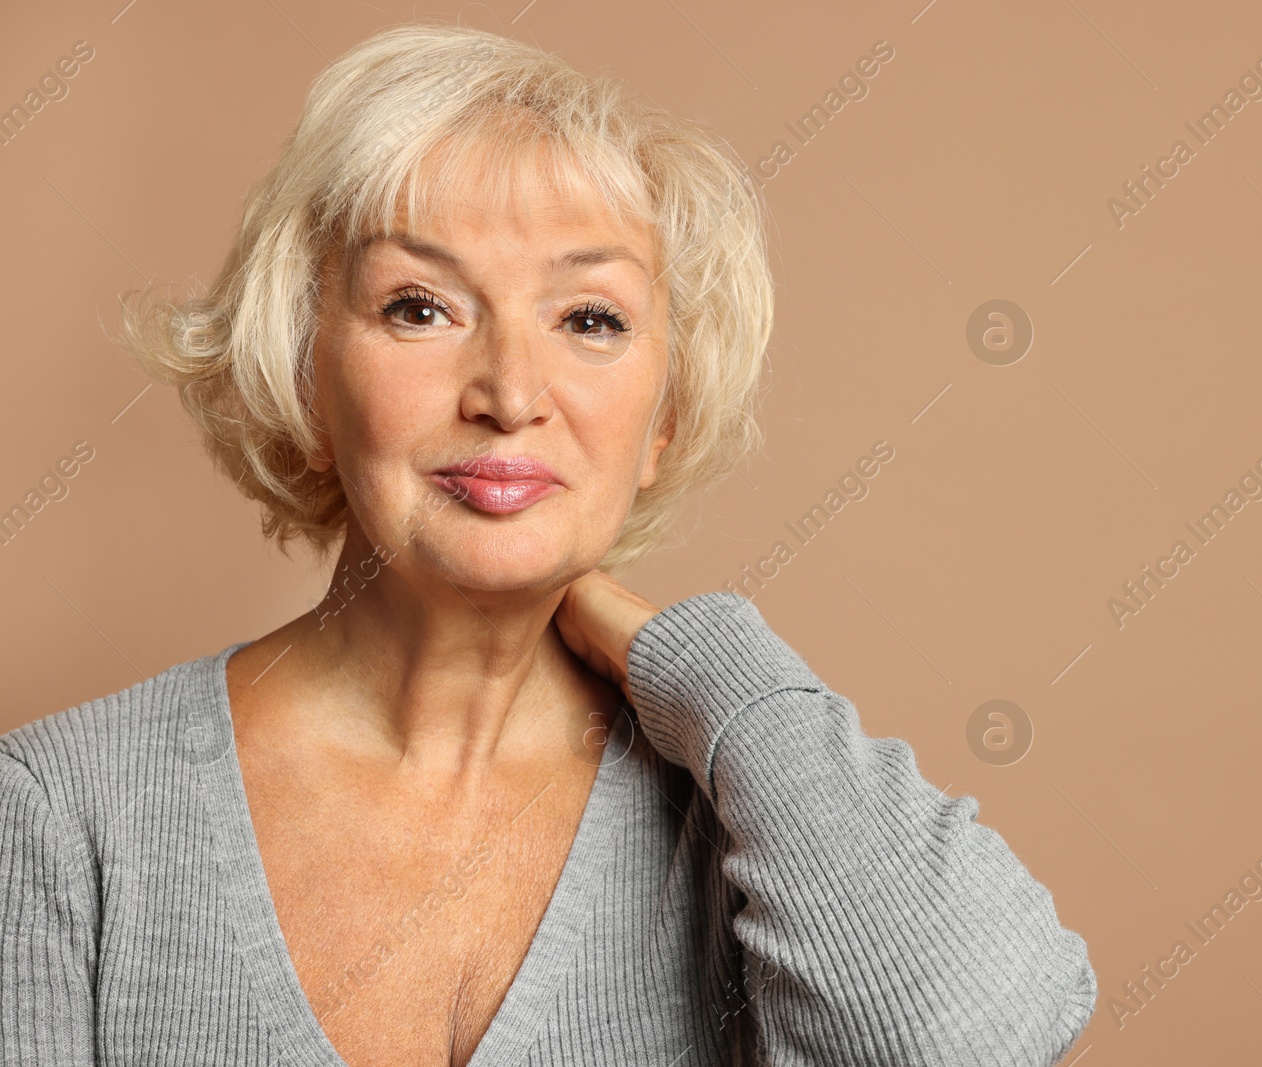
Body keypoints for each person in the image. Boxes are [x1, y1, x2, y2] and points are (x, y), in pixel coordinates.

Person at [0, 22, 1096, 1066]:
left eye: (590, 319)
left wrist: (702, 664)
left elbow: (971, 1036)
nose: (512, 394)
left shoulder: (755, 824)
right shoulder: (62, 812)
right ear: (303, 374)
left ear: (663, 416)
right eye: (421, 307)